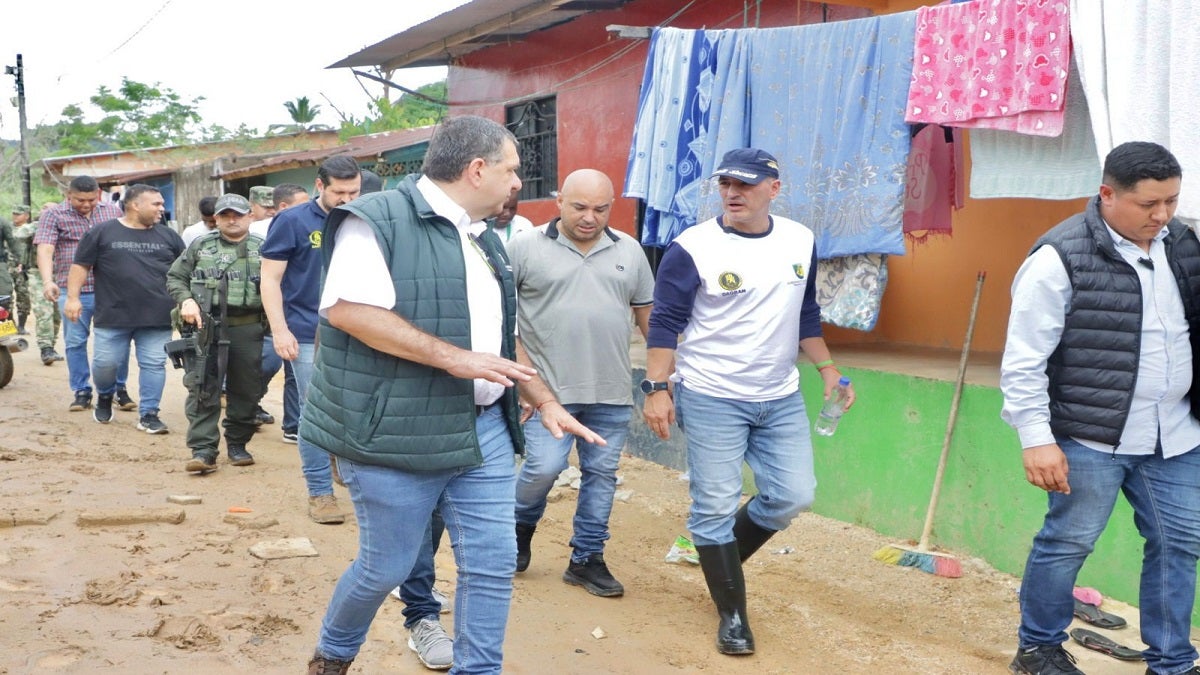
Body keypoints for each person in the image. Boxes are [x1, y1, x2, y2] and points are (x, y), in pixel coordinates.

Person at [303, 115, 602, 675]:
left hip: (482, 428)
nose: (518, 182)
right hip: (396, 431)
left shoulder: (483, 235)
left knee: (492, 562)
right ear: (478, 169)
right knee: (385, 567)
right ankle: (334, 655)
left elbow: (499, 336)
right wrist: (458, 360)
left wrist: (544, 396)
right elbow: (348, 311)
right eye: (513, 170)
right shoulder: (375, 220)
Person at [1000, 141, 1200, 675]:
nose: (1162, 216)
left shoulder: (1180, 243)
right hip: (1091, 437)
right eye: (1148, 205)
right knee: (1068, 542)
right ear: (1108, 194)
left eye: (1171, 201)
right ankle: (1039, 647)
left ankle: (1173, 661)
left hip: (1176, 435)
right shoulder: (1058, 257)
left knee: (1180, 543)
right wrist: (1036, 438)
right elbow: (1023, 360)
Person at [643, 148, 852, 656]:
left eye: (746, 184)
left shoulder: (800, 239)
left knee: (793, 495)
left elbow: (805, 312)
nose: (733, 193)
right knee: (714, 503)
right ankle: (733, 614)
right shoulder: (692, 247)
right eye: (726, 184)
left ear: (773, 189)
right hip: (713, 394)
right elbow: (665, 323)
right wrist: (657, 389)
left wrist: (828, 370)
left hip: (778, 396)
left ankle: (718, 559)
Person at [509, 169, 654, 598]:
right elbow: (502, 323)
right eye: (579, 207)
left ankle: (586, 559)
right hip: (546, 393)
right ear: (559, 202)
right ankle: (518, 527)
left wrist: (664, 379)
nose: (590, 217)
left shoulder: (629, 250)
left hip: (610, 390)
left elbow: (649, 318)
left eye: (601, 208)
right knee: (544, 467)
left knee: (602, 476)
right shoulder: (524, 248)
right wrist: (521, 385)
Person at [261, 154, 361, 524]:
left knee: (351, 406)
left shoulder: (364, 217)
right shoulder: (291, 221)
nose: (347, 199)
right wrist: (280, 329)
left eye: (354, 191)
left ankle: (342, 462)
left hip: (359, 330)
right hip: (305, 331)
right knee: (314, 412)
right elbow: (270, 279)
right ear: (320, 186)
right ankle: (320, 493)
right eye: (339, 192)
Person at [66, 184, 184, 431]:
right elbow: (81, 266)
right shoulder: (102, 233)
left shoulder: (169, 236)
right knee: (105, 364)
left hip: (158, 315)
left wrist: (187, 302)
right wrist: (73, 298)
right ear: (135, 205)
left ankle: (149, 413)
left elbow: (184, 272)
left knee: (153, 364)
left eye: (162, 204)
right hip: (113, 314)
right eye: (156, 204)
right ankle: (106, 395)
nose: (162, 209)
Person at [167, 193, 266, 474]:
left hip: (248, 326)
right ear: (217, 219)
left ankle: (237, 443)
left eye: (238, 214)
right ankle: (203, 449)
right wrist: (186, 300)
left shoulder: (266, 247)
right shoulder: (200, 245)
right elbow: (175, 277)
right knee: (202, 386)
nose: (231, 220)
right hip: (205, 325)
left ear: (250, 216)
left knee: (247, 389)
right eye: (225, 215)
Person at [35, 176, 132, 412]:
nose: (86, 204)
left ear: (98, 194)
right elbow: (45, 248)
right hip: (73, 292)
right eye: (80, 200)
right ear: (69, 195)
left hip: (110, 291)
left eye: (91, 199)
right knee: (75, 341)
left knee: (116, 341)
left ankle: (119, 389)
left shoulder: (111, 211)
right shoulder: (54, 214)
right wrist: (48, 281)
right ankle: (81, 390)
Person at [20, 204, 63, 363]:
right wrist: (39, 224)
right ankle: (46, 348)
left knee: (57, 315)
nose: (46, 211)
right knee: (44, 312)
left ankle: (51, 346)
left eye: (50, 209)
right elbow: (18, 233)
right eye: (44, 208)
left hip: (61, 274)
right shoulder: (35, 227)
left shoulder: (63, 225)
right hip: (38, 275)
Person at [10, 206, 32, 335]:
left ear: (26, 216)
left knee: (23, 297)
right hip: (7, 267)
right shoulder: (7, 228)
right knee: (5, 298)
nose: (15, 216)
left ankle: (21, 326)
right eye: (14, 214)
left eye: (18, 214)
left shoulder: (30, 230)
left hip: (23, 269)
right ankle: (8, 326)